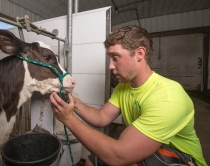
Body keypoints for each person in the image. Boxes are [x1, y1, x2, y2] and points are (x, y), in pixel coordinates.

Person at [49, 25, 207, 166]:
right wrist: (72, 102)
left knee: (120, 158)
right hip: (153, 148)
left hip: (182, 158)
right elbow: (101, 117)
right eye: (109, 58)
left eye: (115, 58)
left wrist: (68, 119)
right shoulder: (124, 86)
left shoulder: (168, 98)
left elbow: (119, 155)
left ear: (139, 54)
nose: (110, 66)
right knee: (93, 159)